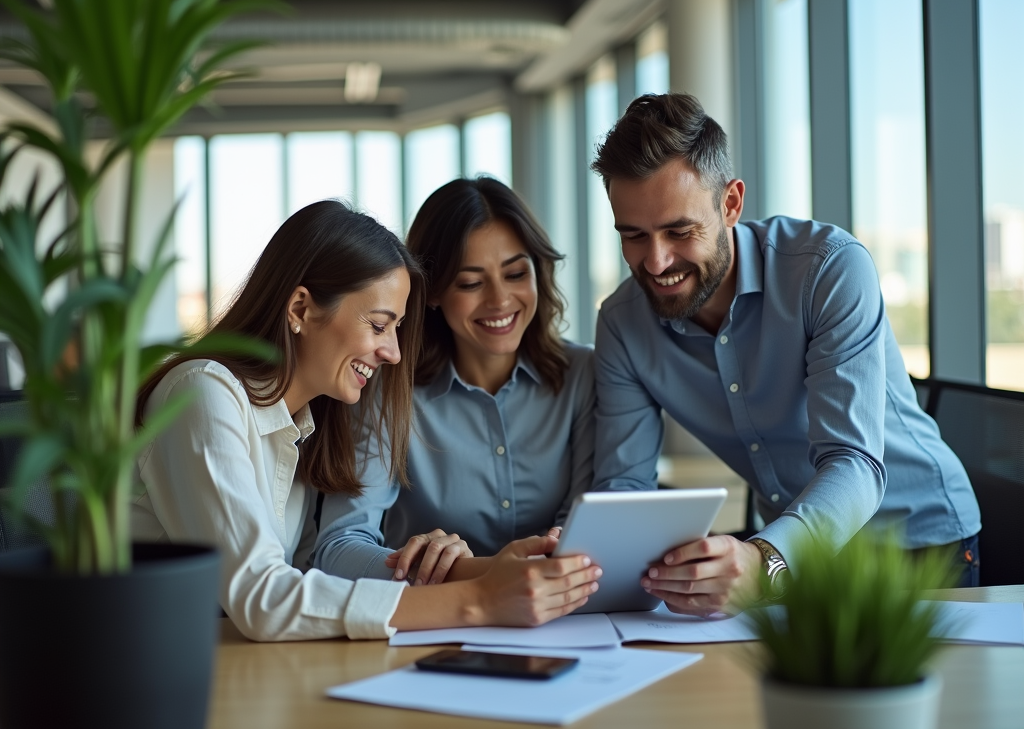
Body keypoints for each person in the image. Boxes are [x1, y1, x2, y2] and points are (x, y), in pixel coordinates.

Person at [132, 201, 600, 642]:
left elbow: (307, 584)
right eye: (378, 325)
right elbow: (264, 598)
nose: (393, 352)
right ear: (300, 310)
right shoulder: (204, 393)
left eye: (395, 328)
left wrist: (486, 570)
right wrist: (477, 599)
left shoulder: (306, 425)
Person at [588, 93, 982, 613]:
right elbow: (624, 484)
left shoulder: (828, 270)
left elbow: (854, 462)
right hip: (784, 551)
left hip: (915, 544)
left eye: (679, 232)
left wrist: (765, 560)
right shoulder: (622, 322)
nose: (657, 262)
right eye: (633, 236)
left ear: (730, 203)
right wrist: (591, 561)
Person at [314, 178, 596, 587]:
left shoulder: (583, 374)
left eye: (516, 273)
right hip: (436, 623)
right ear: (431, 292)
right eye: (470, 282)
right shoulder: (384, 390)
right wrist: (454, 572)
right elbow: (338, 547)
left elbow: (587, 525)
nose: (500, 300)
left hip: (567, 616)